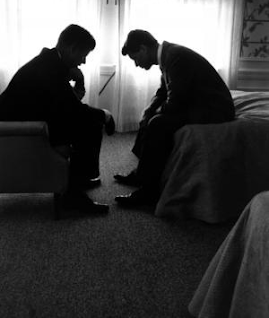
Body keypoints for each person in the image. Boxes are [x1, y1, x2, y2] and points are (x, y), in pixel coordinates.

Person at [0, 24, 115, 214]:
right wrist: (105, 115)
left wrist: (79, 83)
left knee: (89, 123)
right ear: (71, 49)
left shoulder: (51, 63)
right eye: (83, 55)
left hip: (34, 118)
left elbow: (66, 104)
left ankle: (80, 180)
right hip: (20, 128)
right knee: (91, 125)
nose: (84, 61)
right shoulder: (50, 69)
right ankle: (73, 198)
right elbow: (72, 108)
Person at [114, 29, 235, 208]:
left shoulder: (176, 57)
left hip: (214, 109)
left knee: (157, 124)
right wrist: (148, 110)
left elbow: (176, 101)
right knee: (149, 117)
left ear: (143, 49)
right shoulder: (169, 56)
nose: (137, 65)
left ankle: (149, 193)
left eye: (135, 59)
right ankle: (141, 174)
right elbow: (164, 91)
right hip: (198, 102)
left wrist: (154, 115)